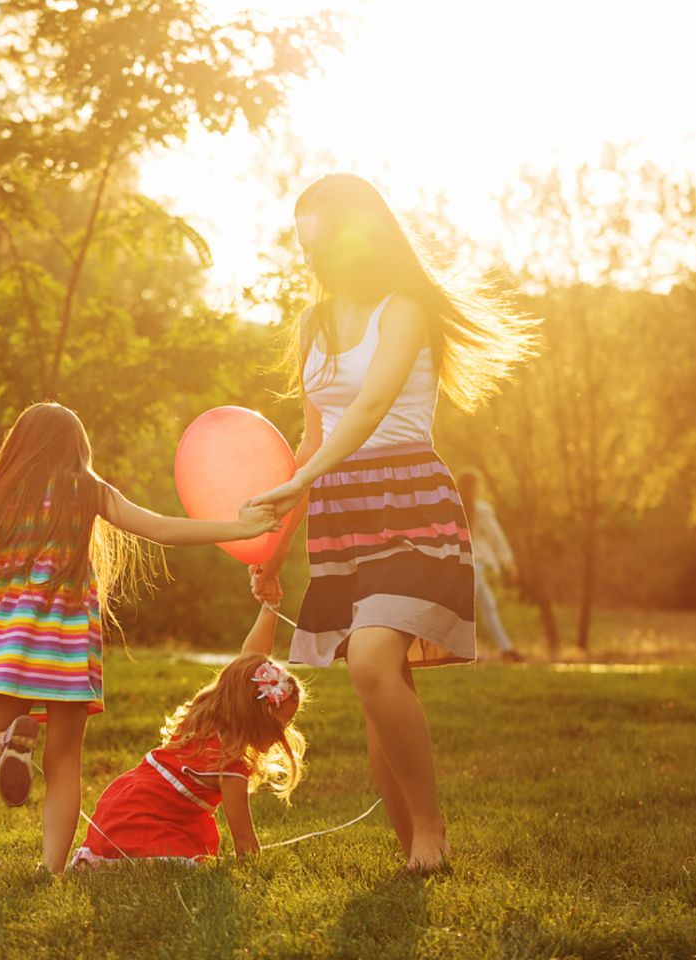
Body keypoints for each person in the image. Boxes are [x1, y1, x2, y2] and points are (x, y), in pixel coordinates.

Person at [0, 401, 279, 874]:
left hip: (9, 646)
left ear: (18, 448)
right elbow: (159, 528)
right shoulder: (88, 490)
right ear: (77, 448)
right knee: (65, 762)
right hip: (68, 653)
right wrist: (240, 528)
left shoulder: (2, 494)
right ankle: (51, 869)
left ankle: (8, 742)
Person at [247, 174, 537, 872]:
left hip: (410, 503)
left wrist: (300, 482)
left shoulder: (404, 310)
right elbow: (313, 439)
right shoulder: (312, 326)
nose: (313, 256)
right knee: (378, 684)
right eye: (305, 244)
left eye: (322, 241)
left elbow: (371, 408)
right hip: (342, 515)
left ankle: (432, 828)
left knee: (375, 660)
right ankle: (415, 853)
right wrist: (272, 549)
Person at [71, 622, 306, 867]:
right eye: (280, 725)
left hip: (124, 805)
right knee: (189, 867)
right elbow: (244, 839)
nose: (282, 734)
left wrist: (269, 609)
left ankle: (104, 859)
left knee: (195, 860)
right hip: (140, 821)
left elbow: (247, 665)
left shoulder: (204, 724)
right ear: (254, 718)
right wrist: (259, 871)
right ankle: (113, 861)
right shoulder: (229, 765)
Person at [455, 469, 523, 662]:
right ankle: (465, 650)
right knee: (466, 607)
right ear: (474, 488)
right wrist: (508, 561)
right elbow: (496, 537)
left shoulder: (454, 508)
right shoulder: (482, 510)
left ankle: (506, 648)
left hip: (460, 562)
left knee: (488, 605)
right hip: (475, 563)